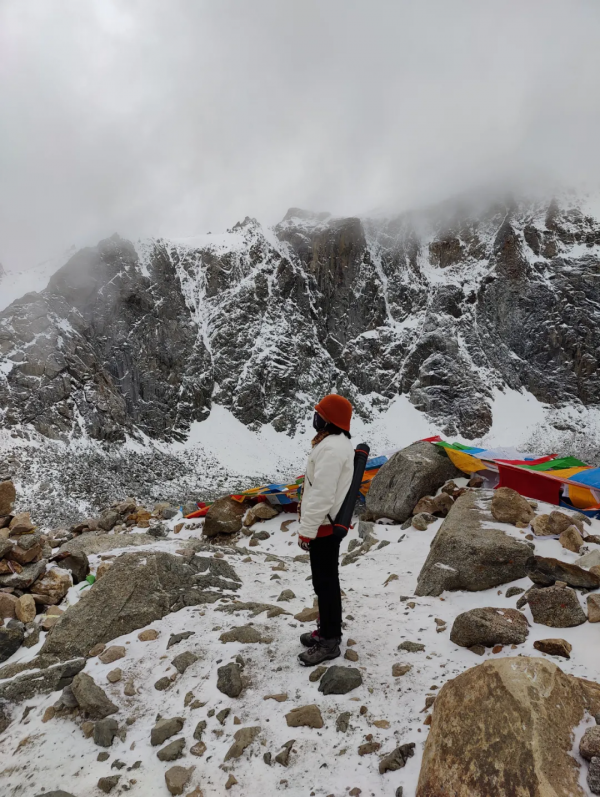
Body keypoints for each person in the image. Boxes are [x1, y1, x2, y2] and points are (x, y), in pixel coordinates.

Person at [297, 393, 354, 666]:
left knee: (326, 582)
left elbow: (322, 494)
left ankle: (330, 641)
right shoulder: (334, 444)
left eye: (318, 412)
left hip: (323, 526)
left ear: (328, 419)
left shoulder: (331, 449)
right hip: (326, 524)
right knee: (325, 581)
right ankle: (328, 630)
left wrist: (306, 529)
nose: (314, 416)